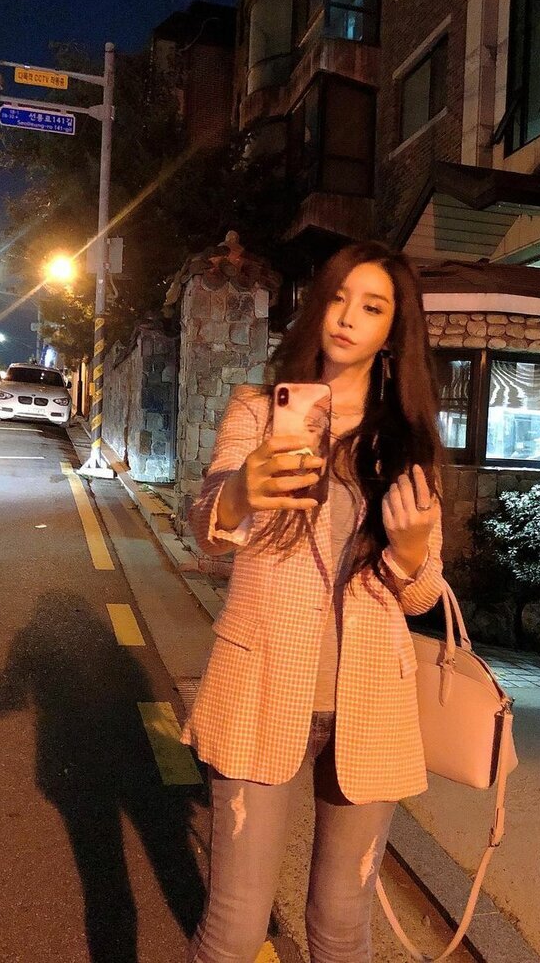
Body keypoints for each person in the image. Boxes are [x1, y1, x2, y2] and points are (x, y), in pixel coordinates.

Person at [182, 241, 446, 962]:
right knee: (235, 928)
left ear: (393, 331)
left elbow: (423, 592)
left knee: (340, 926)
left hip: (371, 700)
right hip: (261, 681)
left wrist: (410, 551)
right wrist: (239, 493)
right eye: (337, 297)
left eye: (372, 306)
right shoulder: (258, 411)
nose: (347, 317)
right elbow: (205, 528)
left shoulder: (409, 441)